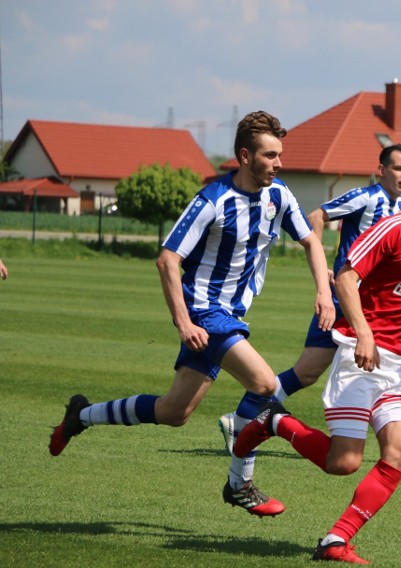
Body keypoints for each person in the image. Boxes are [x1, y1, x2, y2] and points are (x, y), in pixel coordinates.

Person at [48, 111, 335, 518]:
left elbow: (311, 241)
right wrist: (185, 323)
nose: (279, 163)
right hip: (204, 310)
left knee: (173, 412)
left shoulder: (279, 196)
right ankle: (240, 484)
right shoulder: (212, 199)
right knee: (264, 384)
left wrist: (323, 292)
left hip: (229, 314)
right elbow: (167, 260)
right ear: (245, 156)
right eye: (270, 155)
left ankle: (82, 414)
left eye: (279, 155)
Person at [233, 144, 401, 564]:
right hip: (358, 358)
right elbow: (345, 276)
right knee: (342, 463)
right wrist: (362, 332)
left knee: (397, 453)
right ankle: (275, 421)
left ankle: (335, 540)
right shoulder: (394, 227)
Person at [217, 144, 401, 467]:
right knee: (307, 372)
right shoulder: (365, 197)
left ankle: (400, 442)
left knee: (386, 364)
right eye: (397, 168)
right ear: (381, 171)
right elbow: (316, 216)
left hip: (374, 305)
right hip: (345, 300)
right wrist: (324, 266)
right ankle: (242, 419)